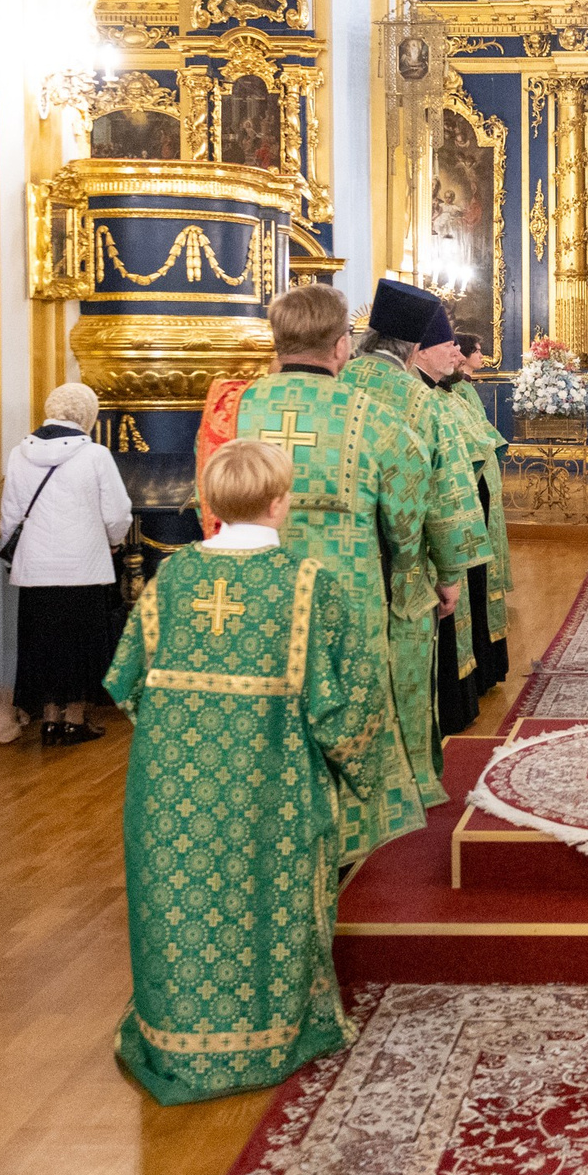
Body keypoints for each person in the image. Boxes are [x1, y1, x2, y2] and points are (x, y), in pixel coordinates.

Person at [107, 438, 389, 1102]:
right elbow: (348, 708)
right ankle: (272, 1036)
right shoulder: (310, 583)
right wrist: (361, 770)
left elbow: (127, 683)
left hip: (169, 792)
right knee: (269, 900)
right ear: (278, 500)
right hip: (273, 789)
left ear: (209, 500)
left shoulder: (172, 577)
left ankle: (175, 1041)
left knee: (182, 906)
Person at [194, 283, 430, 865]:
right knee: (346, 706)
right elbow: (406, 515)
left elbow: (211, 506)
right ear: (341, 347)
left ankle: (265, 828)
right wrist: (411, 577)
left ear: (278, 342)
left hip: (249, 591)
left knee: (269, 706)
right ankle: (347, 839)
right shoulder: (373, 418)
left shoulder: (234, 408)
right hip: (348, 594)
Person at [336, 282, 489, 795]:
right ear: (410, 348)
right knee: (400, 675)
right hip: (401, 570)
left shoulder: (335, 384)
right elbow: (446, 497)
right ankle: (403, 782)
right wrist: (450, 577)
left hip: (331, 566)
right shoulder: (419, 401)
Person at [2, 381, 134, 746]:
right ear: (87, 415)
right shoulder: (95, 456)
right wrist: (113, 542)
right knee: (79, 643)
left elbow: (10, 514)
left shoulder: (19, 453)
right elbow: (118, 512)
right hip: (84, 565)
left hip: (34, 567)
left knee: (42, 642)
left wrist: (15, 555)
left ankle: (48, 720)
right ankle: (74, 720)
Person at [420, 326, 510, 733]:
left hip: (472, 504)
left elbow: (480, 440)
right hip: (450, 517)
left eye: (459, 347)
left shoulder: (454, 395)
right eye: (451, 347)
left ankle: (483, 671)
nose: (458, 355)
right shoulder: (427, 401)